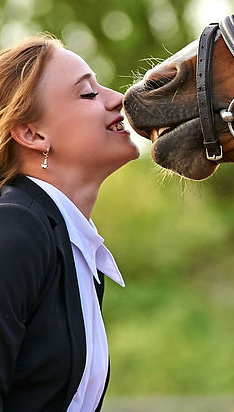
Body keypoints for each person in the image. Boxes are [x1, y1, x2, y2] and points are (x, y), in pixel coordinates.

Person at [0, 34, 139, 411]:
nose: (117, 98)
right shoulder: (15, 228)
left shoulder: (69, 241)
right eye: (88, 93)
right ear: (33, 134)